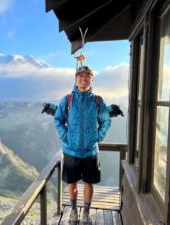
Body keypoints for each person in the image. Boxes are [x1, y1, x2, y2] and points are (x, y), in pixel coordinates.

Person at [54, 65, 111, 225]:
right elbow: (58, 120)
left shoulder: (98, 101)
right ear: (75, 80)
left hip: (90, 152)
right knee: (71, 183)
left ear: (92, 79)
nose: (83, 78)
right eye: (80, 76)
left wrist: (98, 136)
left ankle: (85, 212)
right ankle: (73, 210)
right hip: (71, 151)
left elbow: (106, 120)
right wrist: (66, 137)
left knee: (88, 183)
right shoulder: (67, 100)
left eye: (87, 76)